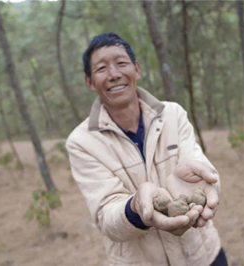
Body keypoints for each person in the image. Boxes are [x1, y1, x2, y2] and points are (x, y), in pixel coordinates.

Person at [66, 32, 228, 266]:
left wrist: (205, 181)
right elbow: (106, 216)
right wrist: (135, 207)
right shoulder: (81, 142)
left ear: (137, 69)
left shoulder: (173, 114)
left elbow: (199, 164)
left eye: (121, 63)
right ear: (90, 82)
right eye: (101, 68)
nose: (114, 74)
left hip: (203, 255)